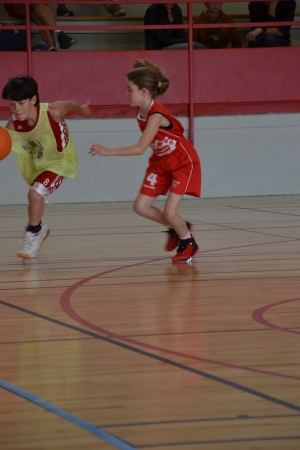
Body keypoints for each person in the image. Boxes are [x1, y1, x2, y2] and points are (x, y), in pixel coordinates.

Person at [90, 59, 201, 263]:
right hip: (161, 162)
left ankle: (188, 242)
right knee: (140, 207)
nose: (126, 93)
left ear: (143, 91)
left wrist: (108, 151)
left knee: (169, 212)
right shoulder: (141, 111)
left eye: (129, 89)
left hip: (182, 162)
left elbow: (140, 148)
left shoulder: (156, 114)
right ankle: (178, 226)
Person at [2, 75, 90, 259]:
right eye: (11, 104)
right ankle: (39, 228)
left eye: (21, 103)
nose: (17, 110)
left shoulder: (53, 111)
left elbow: (70, 104)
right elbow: (4, 145)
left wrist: (81, 109)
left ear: (33, 99)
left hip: (61, 161)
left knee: (34, 194)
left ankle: (33, 232)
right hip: (38, 166)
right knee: (35, 196)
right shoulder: (12, 126)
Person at [3, 3, 76, 50]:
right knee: (35, 2)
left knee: (39, 18)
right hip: (18, 5)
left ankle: (53, 49)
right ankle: (59, 33)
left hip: (39, 6)